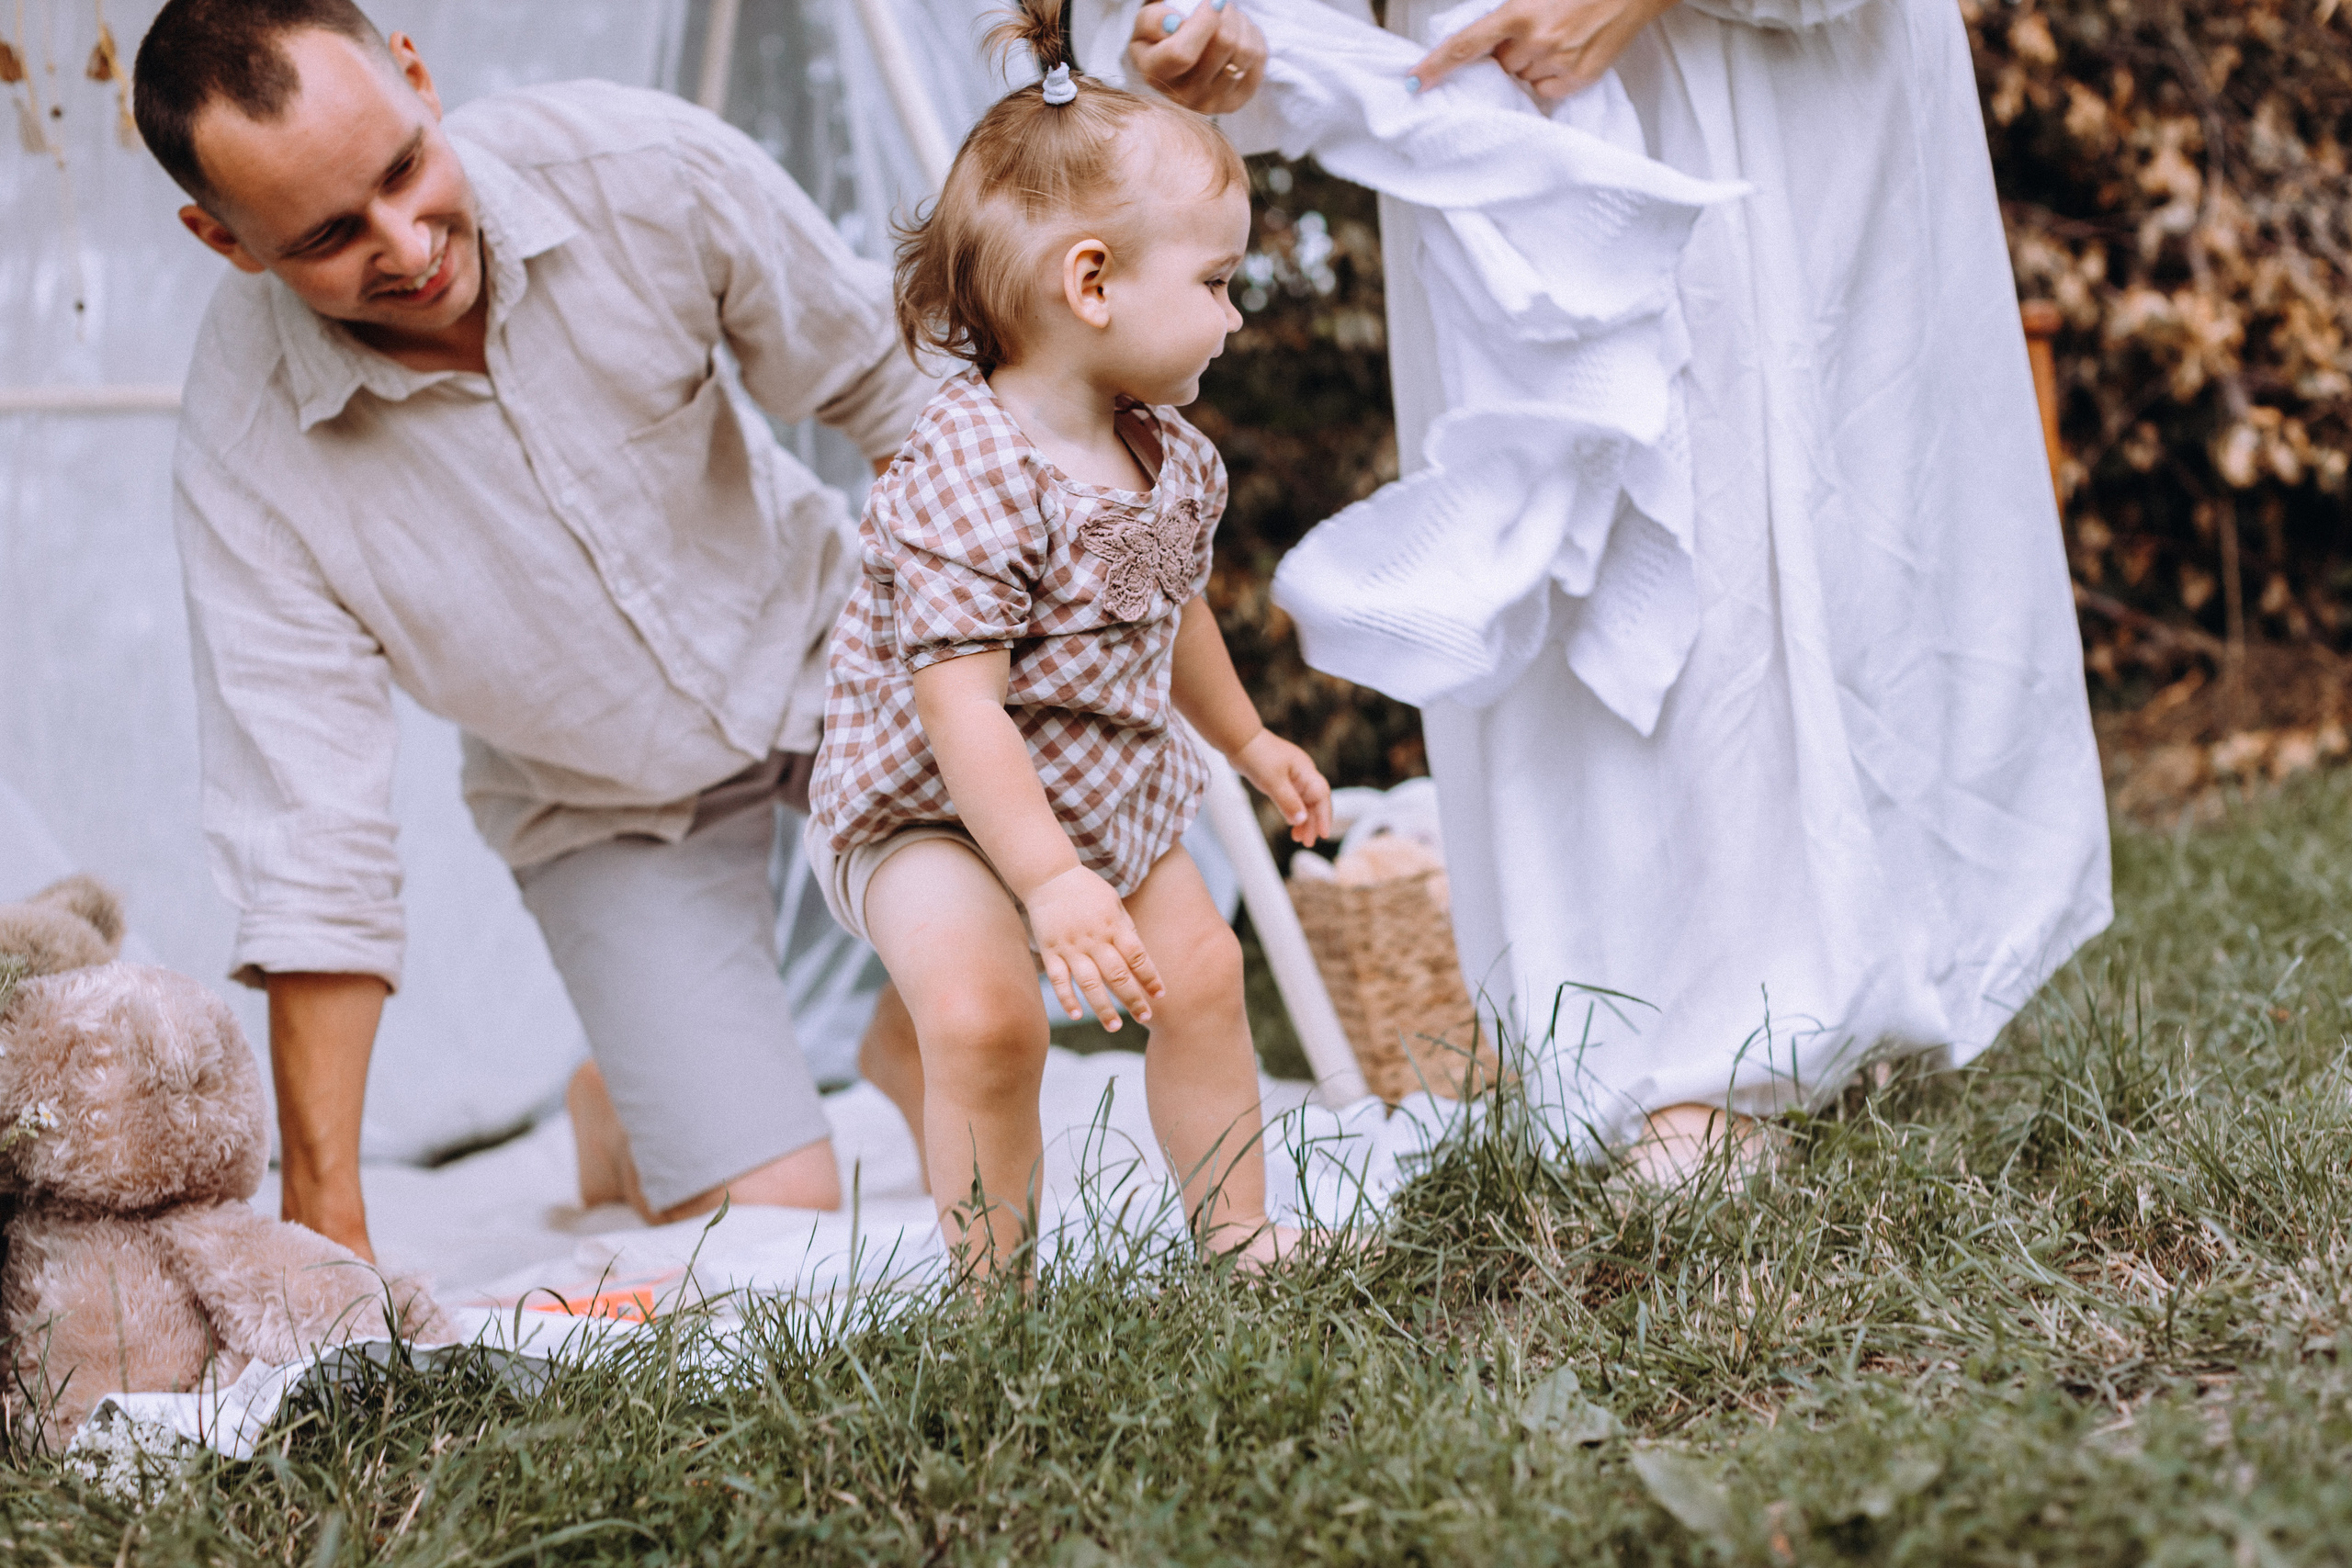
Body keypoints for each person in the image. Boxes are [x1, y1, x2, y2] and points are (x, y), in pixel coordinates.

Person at [1124, 0, 2112, 1178]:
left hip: (1745, 82)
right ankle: (1672, 1045)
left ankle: (1811, 1000)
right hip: (1502, 95)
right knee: (1595, 526)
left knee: (1788, 499)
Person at [130, 0, 936, 1259]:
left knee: (993, 998)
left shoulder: (644, 168)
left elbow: (894, 395)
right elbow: (312, 841)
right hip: (600, 803)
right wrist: (328, 1228)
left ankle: (906, 1027)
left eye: (403, 169)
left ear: (416, 74)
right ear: (224, 240)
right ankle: (627, 1101)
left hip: (839, 663)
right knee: (772, 1243)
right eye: (332, 235)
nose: (405, 246)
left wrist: (985, 669)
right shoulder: (246, 454)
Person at [805, 5, 1332, 1269]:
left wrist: (1247, 737)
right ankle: (997, 1296)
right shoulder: (966, 467)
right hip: (935, 805)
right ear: (1090, 282)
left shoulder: (1167, 455)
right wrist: (1048, 885)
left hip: (1104, 781)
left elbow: (1172, 603)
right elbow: (960, 706)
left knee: (1202, 974)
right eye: (1214, 284)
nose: (1233, 318)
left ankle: (1241, 1234)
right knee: (990, 1021)